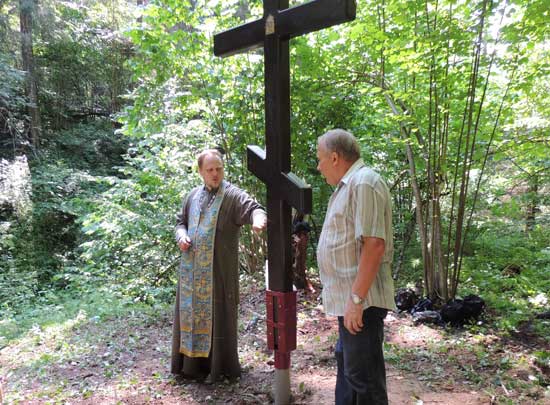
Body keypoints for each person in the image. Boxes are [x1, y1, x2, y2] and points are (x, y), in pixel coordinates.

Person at [171, 148, 267, 384]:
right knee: (190, 317)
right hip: (190, 275)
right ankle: (190, 368)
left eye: (219, 169)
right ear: (201, 172)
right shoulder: (192, 196)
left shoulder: (232, 195)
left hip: (218, 275)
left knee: (218, 319)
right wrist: (181, 236)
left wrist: (258, 220)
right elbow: (179, 223)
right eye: (210, 170)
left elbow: (254, 208)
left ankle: (218, 369)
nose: (215, 174)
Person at [315, 129, 396, 404]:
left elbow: (374, 244)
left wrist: (356, 299)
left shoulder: (364, 183)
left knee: (364, 378)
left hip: (362, 301)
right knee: (349, 370)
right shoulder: (348, 186)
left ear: (335, 157)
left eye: (320, 158)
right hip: (350, 300)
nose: (318, 166)